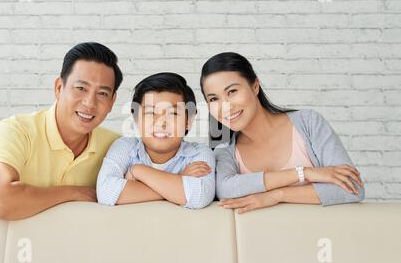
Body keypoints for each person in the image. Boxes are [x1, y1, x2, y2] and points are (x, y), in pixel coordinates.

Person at [200, 52, 365, 213]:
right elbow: (225, 190)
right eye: (214, 99)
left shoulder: (308, 122)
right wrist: (303, 173)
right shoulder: (225, 150)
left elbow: (352, 187)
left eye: (232, 92)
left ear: (255, 86)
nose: (225, 106)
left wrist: (277, 195)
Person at [0, 42, 122, 220]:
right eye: (81, 88)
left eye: (102, 93)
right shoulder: (17, 130)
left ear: (112, 102)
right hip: (2, 245)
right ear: (58, 88)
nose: (90, 103)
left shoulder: (116, 147)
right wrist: (73, 193)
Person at [96, 72, 215, 209]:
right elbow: (106, 193)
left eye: (173, 114)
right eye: (150, 113)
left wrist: (138, 170)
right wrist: (178, 179)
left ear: (189, 120)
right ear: (137, 119)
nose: (161, 123)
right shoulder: (125, 147)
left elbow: (199, 196)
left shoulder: (199, 153)